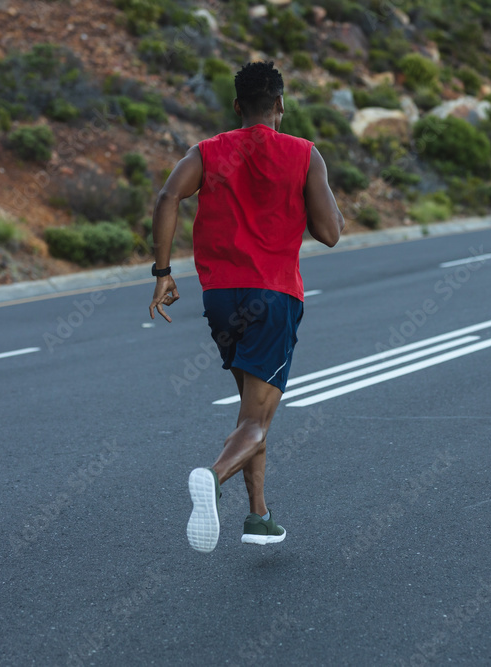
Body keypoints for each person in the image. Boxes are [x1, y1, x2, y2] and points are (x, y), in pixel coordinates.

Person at [148, 61, 344, 553]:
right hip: (273, 295)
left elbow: (168, 196)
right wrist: (312, 177)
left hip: (220, 298)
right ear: (280, 104)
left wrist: (163, 271)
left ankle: (258, 516)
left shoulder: (208, 151)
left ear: (237, 107)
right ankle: (212, 478)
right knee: (258, 419)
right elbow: (330, 233)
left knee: (250, 412)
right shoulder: (303, 154)